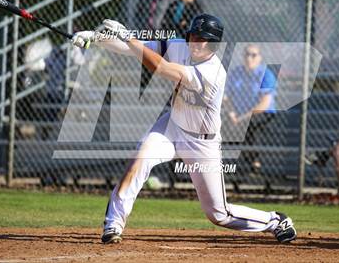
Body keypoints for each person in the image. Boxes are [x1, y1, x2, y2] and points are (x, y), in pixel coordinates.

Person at [72, 14, 297, 244]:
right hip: (172, 126)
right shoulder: (180, 46)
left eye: (203, 39)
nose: (195, 42)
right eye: (193, 36)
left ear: (213, 44)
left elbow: (160, 67)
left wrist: (128, 37)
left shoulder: (213, 73)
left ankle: (276, 220)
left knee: (219, 214)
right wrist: (96, 38)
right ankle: (113, 225)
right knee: (139, 160)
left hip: (202, 142)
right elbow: (136, 49)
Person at [223, 44, 277, 175]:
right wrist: (232, 114)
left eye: (254, 55)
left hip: (262, 114)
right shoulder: (236, 73)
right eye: (247, 54)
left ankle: (254, 165)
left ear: (260, 58)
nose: (249, 58)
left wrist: (241, 119)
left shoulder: (266, 74)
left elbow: (265, 104)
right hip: (237, 115)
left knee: (251, 125)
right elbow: (225, 98)